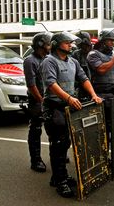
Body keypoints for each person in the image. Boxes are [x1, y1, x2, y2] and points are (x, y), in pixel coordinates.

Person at [40, 32, 103, 198]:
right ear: (57, 44)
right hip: (54, 106)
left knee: (66, 141)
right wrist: (69, 98)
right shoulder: (49, 61)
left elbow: (83, 79)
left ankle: (58, 175)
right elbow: (51, 84)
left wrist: (93, 95)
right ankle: (60, 182)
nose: (70, 45)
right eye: (67, 42)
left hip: (68, 106)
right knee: (58, 143)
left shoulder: (73, 61)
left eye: (70, 43)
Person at [23, 32, 52, 173]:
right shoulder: (30, 60)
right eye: (48, 43)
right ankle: (36, 160)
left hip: (49, 99)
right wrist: (41, 100)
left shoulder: (48, 59)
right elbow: (31, 84)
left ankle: (58, 155)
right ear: (41, 44)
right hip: (36, 100)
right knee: (36, 129)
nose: (50, 46)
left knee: (54, 127)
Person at [72, 31, 93, 100]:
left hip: (96, 86)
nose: (79, 45)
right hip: (82, 87)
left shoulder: (95, 51)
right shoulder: (76, 54)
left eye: (80, 43)